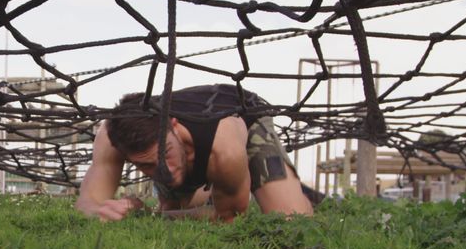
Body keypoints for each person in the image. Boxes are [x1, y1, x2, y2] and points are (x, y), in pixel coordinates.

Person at [75, 84, 318, 222]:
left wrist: (150, 217)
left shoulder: (224, 148)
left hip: (244, 113)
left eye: (165, 154)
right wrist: (100, 211)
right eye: (147, 165)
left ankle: (288, 186)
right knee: (174, 205)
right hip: (193, 154)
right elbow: (87, 201)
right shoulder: (112, 135)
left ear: (175, 125)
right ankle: (215, 189)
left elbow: (229, 218)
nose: (164, 171)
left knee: (290, 218)